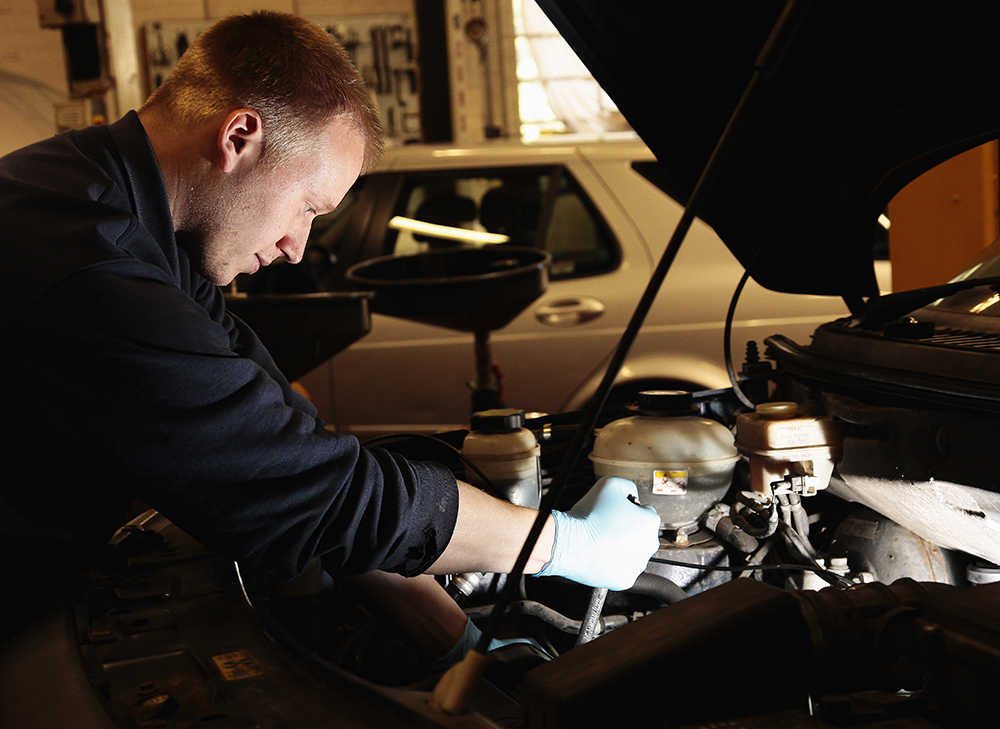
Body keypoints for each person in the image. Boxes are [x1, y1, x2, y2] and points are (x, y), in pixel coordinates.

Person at [0, 11, 660, 654]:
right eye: (309, 207)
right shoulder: (92, 269)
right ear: (238, 138)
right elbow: (311, 493)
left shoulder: (125, 212)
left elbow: (293, 450)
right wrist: (568, 545)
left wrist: (462, 641)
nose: (295, 247)